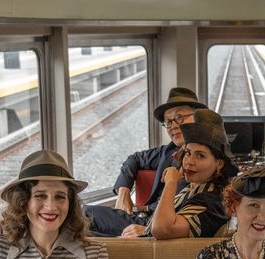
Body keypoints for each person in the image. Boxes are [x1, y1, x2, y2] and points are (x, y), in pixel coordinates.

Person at [85, 87, 205, 236]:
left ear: (198, 118)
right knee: (81, 221)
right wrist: (124, 191)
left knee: (85, 220)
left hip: (162, 226)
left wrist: (147, 228)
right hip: (143, 219)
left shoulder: (208, 160)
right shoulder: (167, 151)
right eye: (168, 122)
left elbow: (192, 209)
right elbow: (134, 159)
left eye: (179, 118)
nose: (173, 126)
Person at [121, 108, 239, 239]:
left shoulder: (209, 201)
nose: (189, 162)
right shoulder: (195, 188)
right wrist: (145, 230)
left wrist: (171, 182)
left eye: (200, 156)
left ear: (219, 164)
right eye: (188, 153)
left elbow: (162, 229)